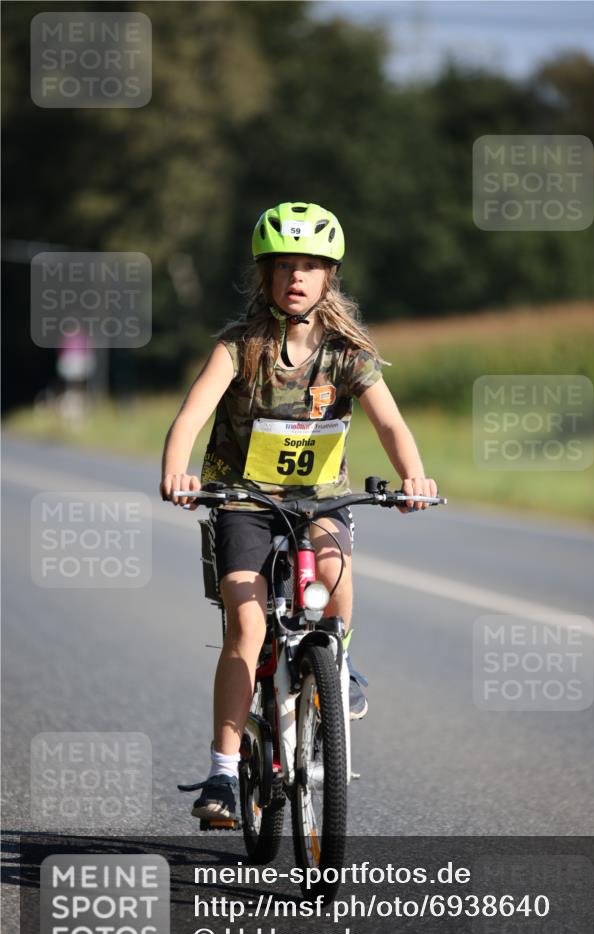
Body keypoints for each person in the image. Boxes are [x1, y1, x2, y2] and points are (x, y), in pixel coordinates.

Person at [161, 201, 437, 823]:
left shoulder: (347, 353)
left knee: (334, 576)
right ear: (266, 274)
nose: (296, 277)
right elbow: (190, 417)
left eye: (310, 266)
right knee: (247, 624)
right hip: (243, 499)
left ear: (328, 277)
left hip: (319, 499)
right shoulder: (238, 348)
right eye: (284, 265)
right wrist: (177, 471)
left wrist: (413, 476)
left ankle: (336, 665)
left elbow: (390, 424)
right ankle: (223, 773)